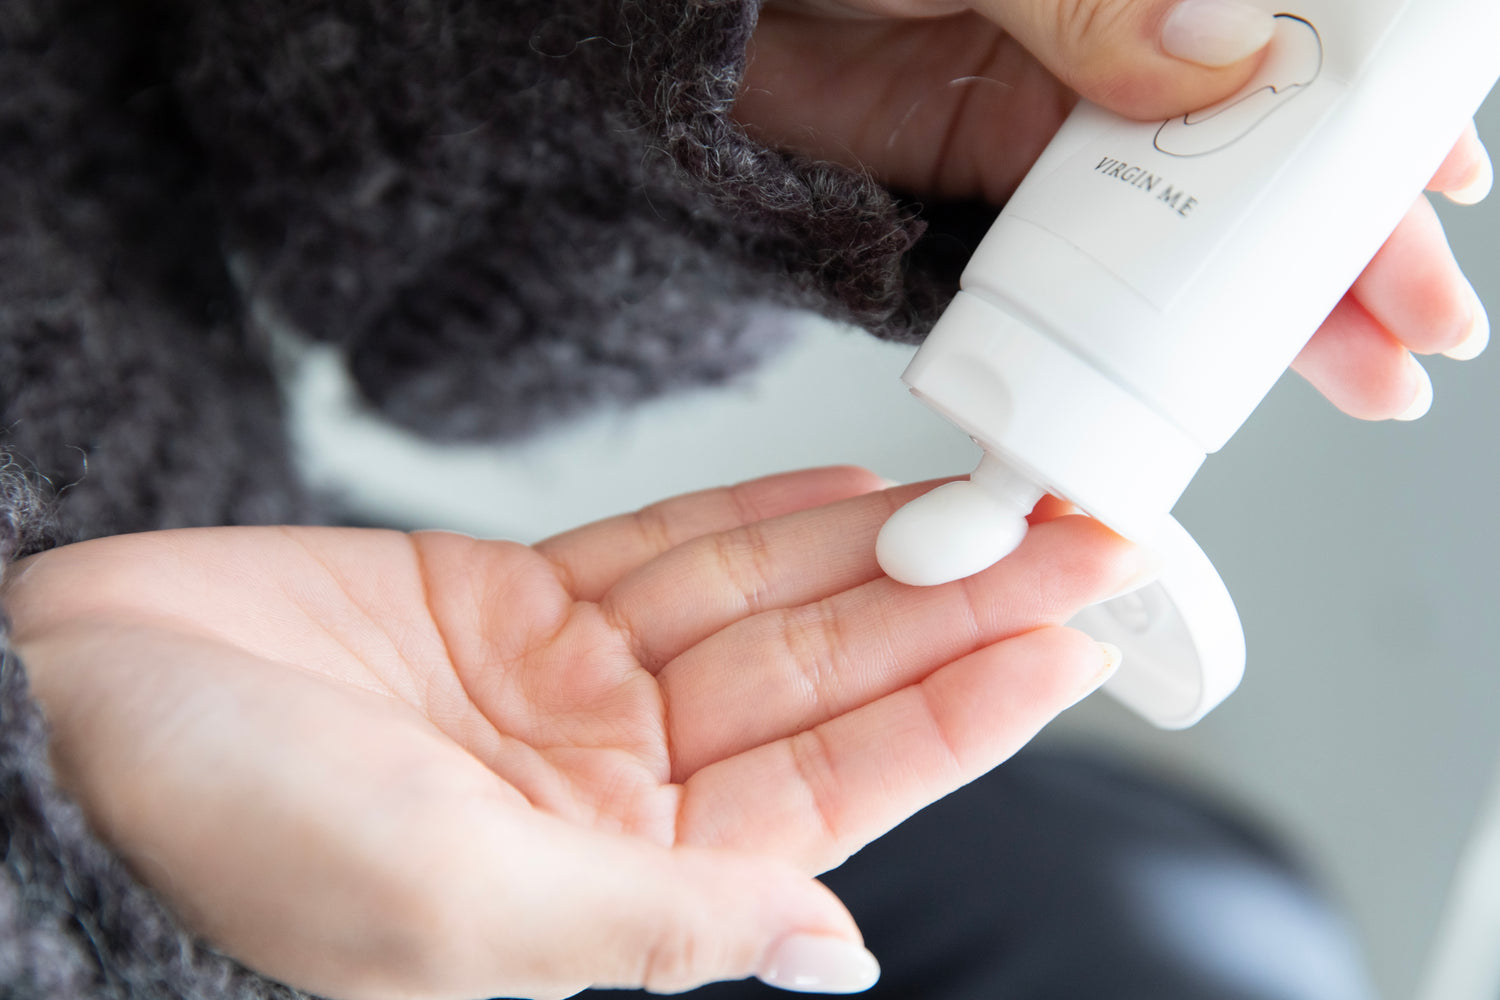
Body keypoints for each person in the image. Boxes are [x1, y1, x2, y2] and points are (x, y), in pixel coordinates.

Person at [0, 0, 1488, 997]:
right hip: (166, 699)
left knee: (1184, 931)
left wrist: (727, 64)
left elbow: (435, 336)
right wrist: (60, 822)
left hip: (207, 556)